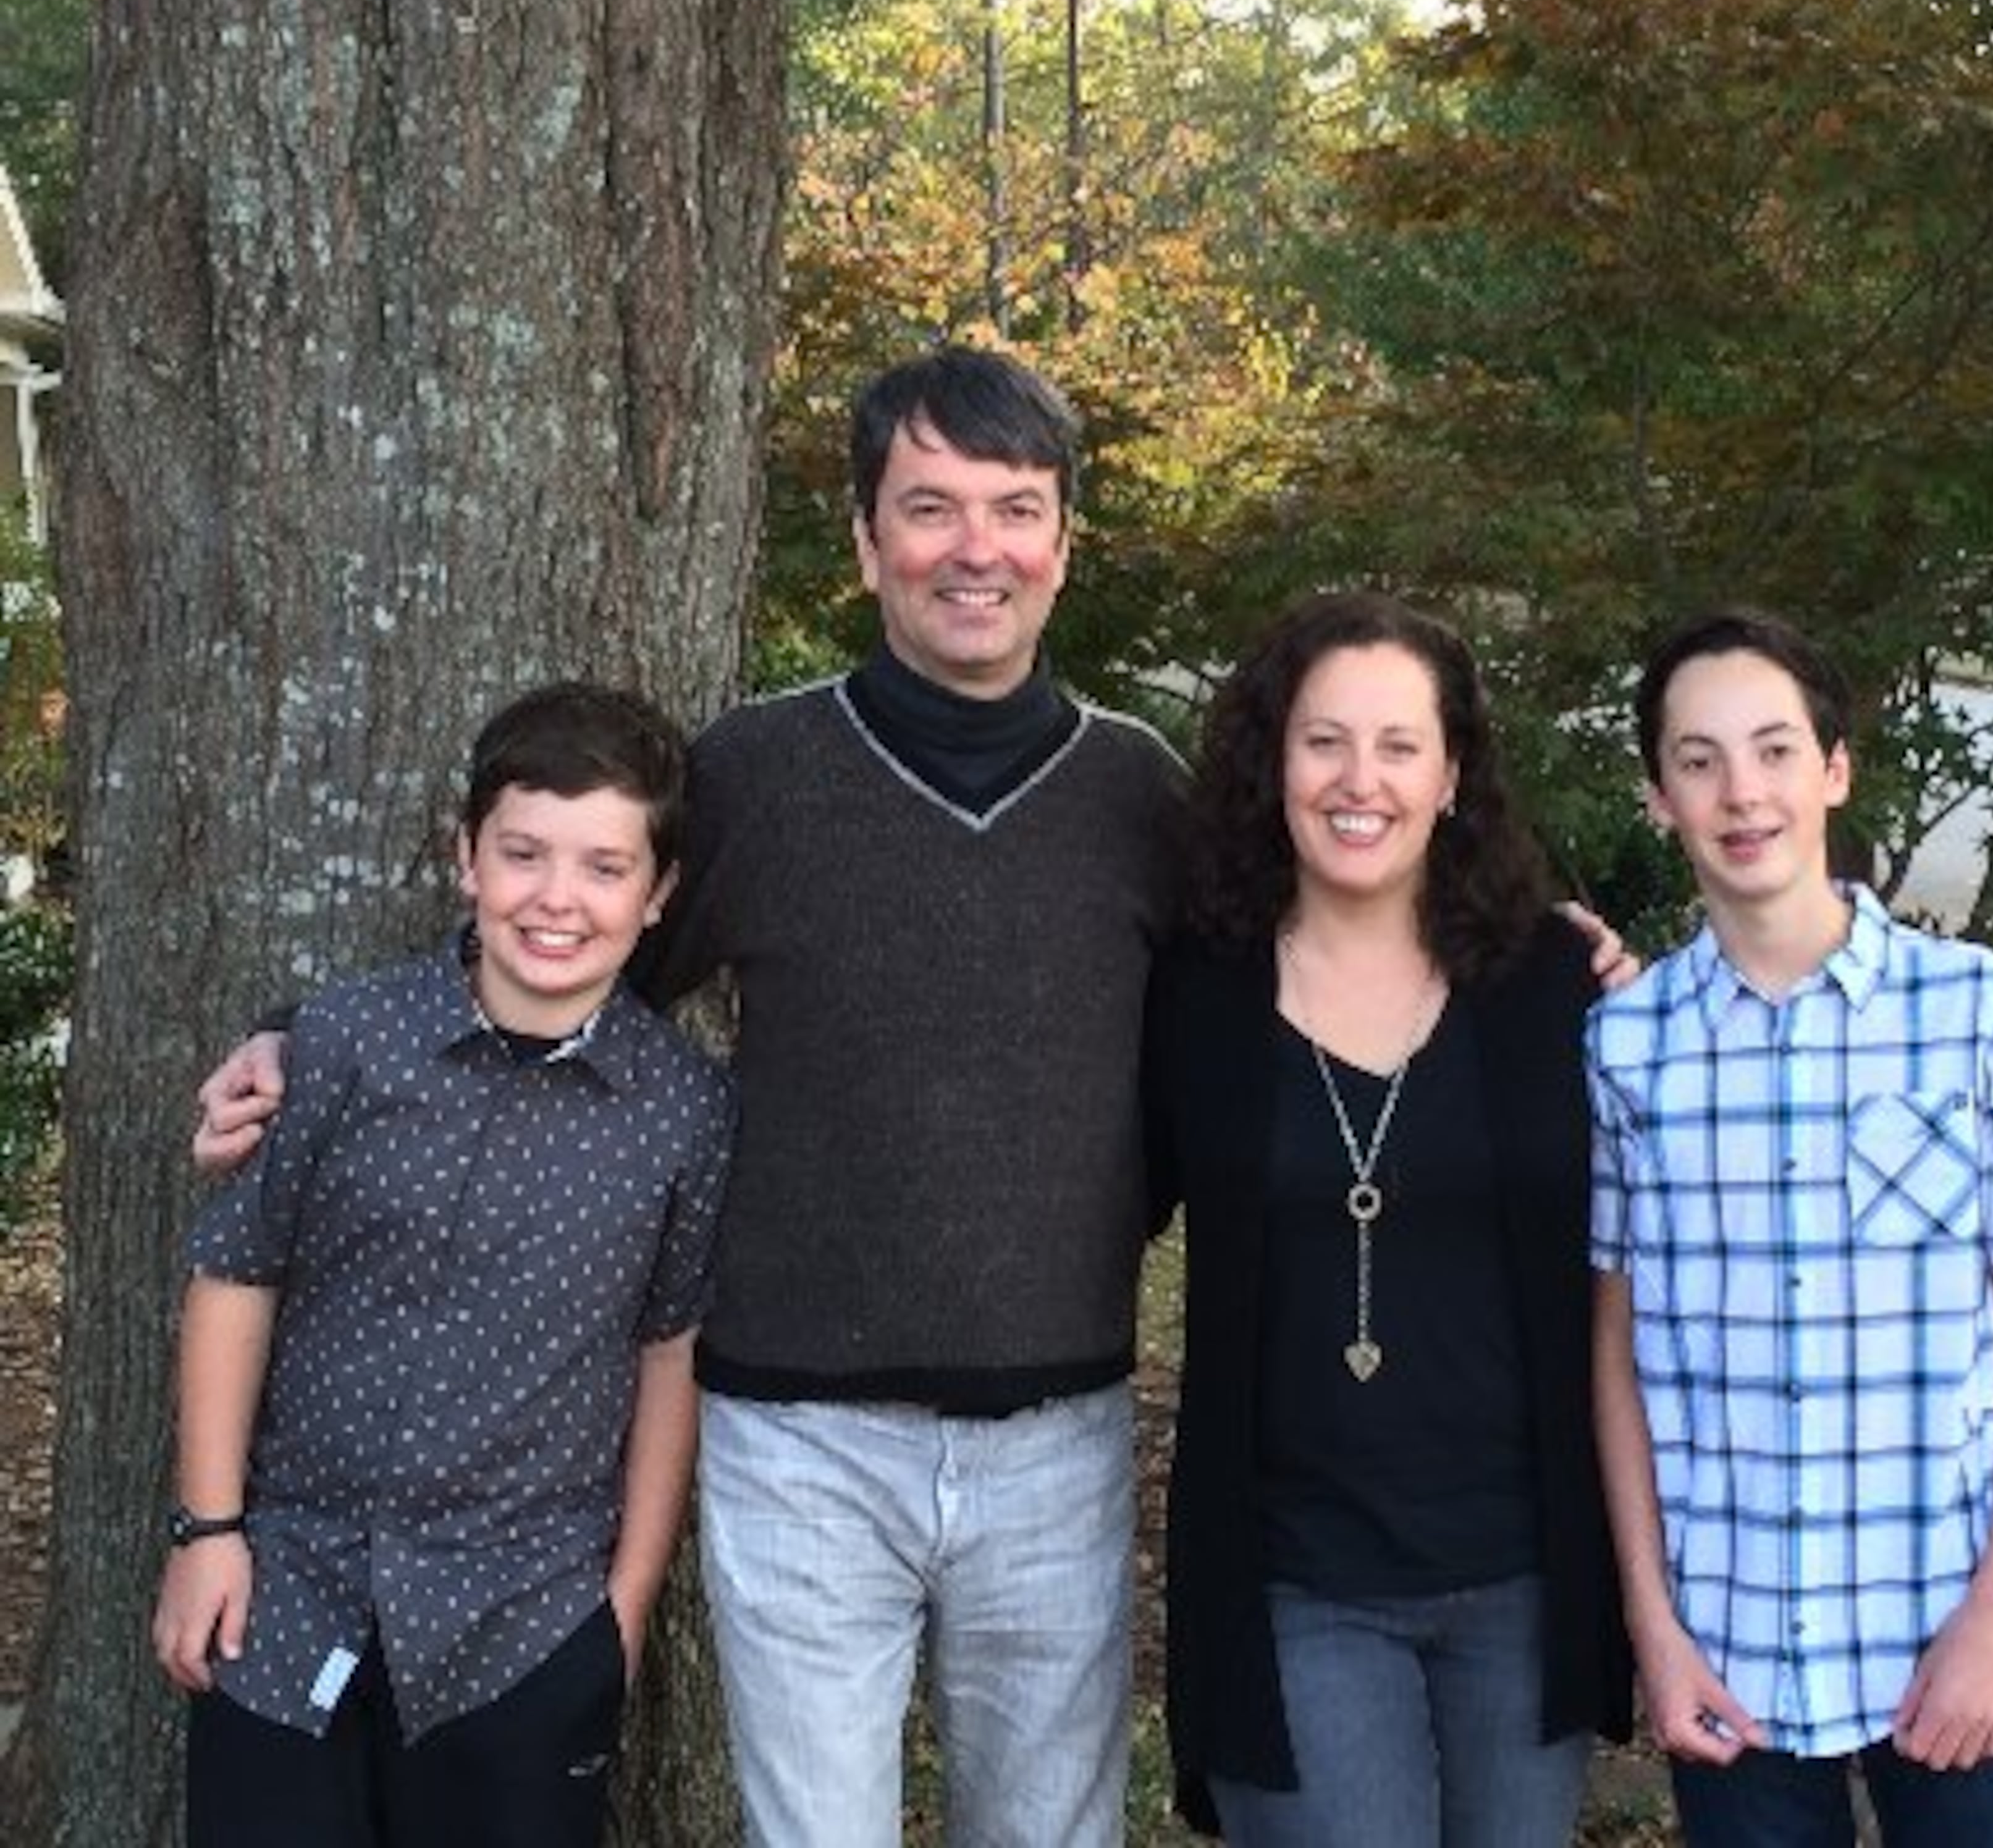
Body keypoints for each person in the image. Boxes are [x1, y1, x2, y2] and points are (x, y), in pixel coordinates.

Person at [195, 348, 1638, 1844]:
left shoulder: (1136, 797)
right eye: (931, 507)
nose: (976, 548)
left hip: (1060, 1433)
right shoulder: (758, 772)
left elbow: (1324, 946)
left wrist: (1556, 955)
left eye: (1016, 509)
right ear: (870, 538)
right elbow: (574, 949)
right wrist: (316, 1036)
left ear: (1064, 544)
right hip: (800, 1441)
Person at [153, 681, 736, 1848]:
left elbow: (670, 1349)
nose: (557, 898)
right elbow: (238, 1274)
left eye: (605, 867)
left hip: (522, 1631)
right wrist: (206, 1530)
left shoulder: (683, 1109)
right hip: (282, 1600)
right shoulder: (342, 1043)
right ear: (466, 857)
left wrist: (621, 1611)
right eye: (522, 854)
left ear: (659, 893)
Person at [1587, 608, 1993, 1847]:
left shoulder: (1976, 1012)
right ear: (1660, 796)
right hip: (1732, 1657)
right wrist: (1655, 1632)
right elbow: (1616, 1354)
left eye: (1776, 750)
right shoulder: (1626, 1047)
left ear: (1834, 769)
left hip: (1950, 1632)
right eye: (1700, 759)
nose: (1743, 792)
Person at [1143, 589, 1635, 1846]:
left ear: (1454, 773)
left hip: (1521, 1579)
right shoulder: (1198, 991)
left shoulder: (1551, 987)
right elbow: (1093, 1199)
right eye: (1324, 741)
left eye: (1400, 745)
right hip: (1294, 1581)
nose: (1360, 780)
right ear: (1274, 763)